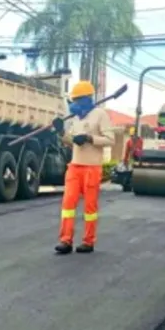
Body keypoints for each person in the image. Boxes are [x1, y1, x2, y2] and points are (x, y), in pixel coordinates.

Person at [54, 80, 115, 255]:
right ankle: (65, 240)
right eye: (73, 100)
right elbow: (71, 142)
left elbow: (110, 140)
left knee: (90, 208)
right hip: (75, 167)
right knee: (68, 204)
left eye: (78, 99)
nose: (75, 103)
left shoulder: (100, 115)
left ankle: (88, 241)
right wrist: (61, 132)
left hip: (92, 168)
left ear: (87, 99)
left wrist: (90, 138)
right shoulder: (75, 118)